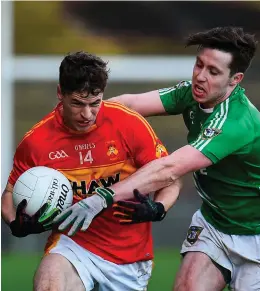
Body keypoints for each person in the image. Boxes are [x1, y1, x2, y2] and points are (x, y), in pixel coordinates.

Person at [54, 27, 260, 291]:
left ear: (235, 79)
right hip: (215, 223)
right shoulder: (193, 93)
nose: (200, 77)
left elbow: (169, 168)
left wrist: (102, 197)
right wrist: (71, 117)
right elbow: (128, 106)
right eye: (199, 64)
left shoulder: (236, 123)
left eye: (213, 72)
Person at [1, 51, 182, 291]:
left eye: (94, 103)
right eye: (77, 103)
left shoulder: (129, 123)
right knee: (49, 283)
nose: (87, 114)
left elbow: (170, 178)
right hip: (73, 245)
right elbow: (9, 194)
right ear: (60, 94)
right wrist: (15, 223)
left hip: (128, 257)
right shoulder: (36, 141)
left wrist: (158, 208)